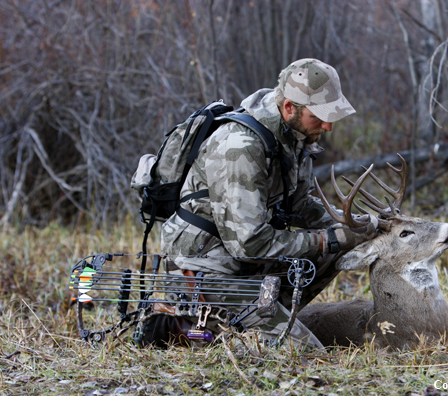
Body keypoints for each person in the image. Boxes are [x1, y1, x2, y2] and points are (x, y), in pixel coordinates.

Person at [160, 58, 379, 349]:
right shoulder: (241, 147)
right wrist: (327, 240)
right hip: (205, 271)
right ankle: (215, 327)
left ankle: (266, 320)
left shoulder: (295, 135)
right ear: (289, 107)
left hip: (244, 262)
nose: (328, 125)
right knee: (306, 354)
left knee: (338, 244)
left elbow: (299, 206)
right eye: (320, 116)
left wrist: (354, 225)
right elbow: (249, 243)